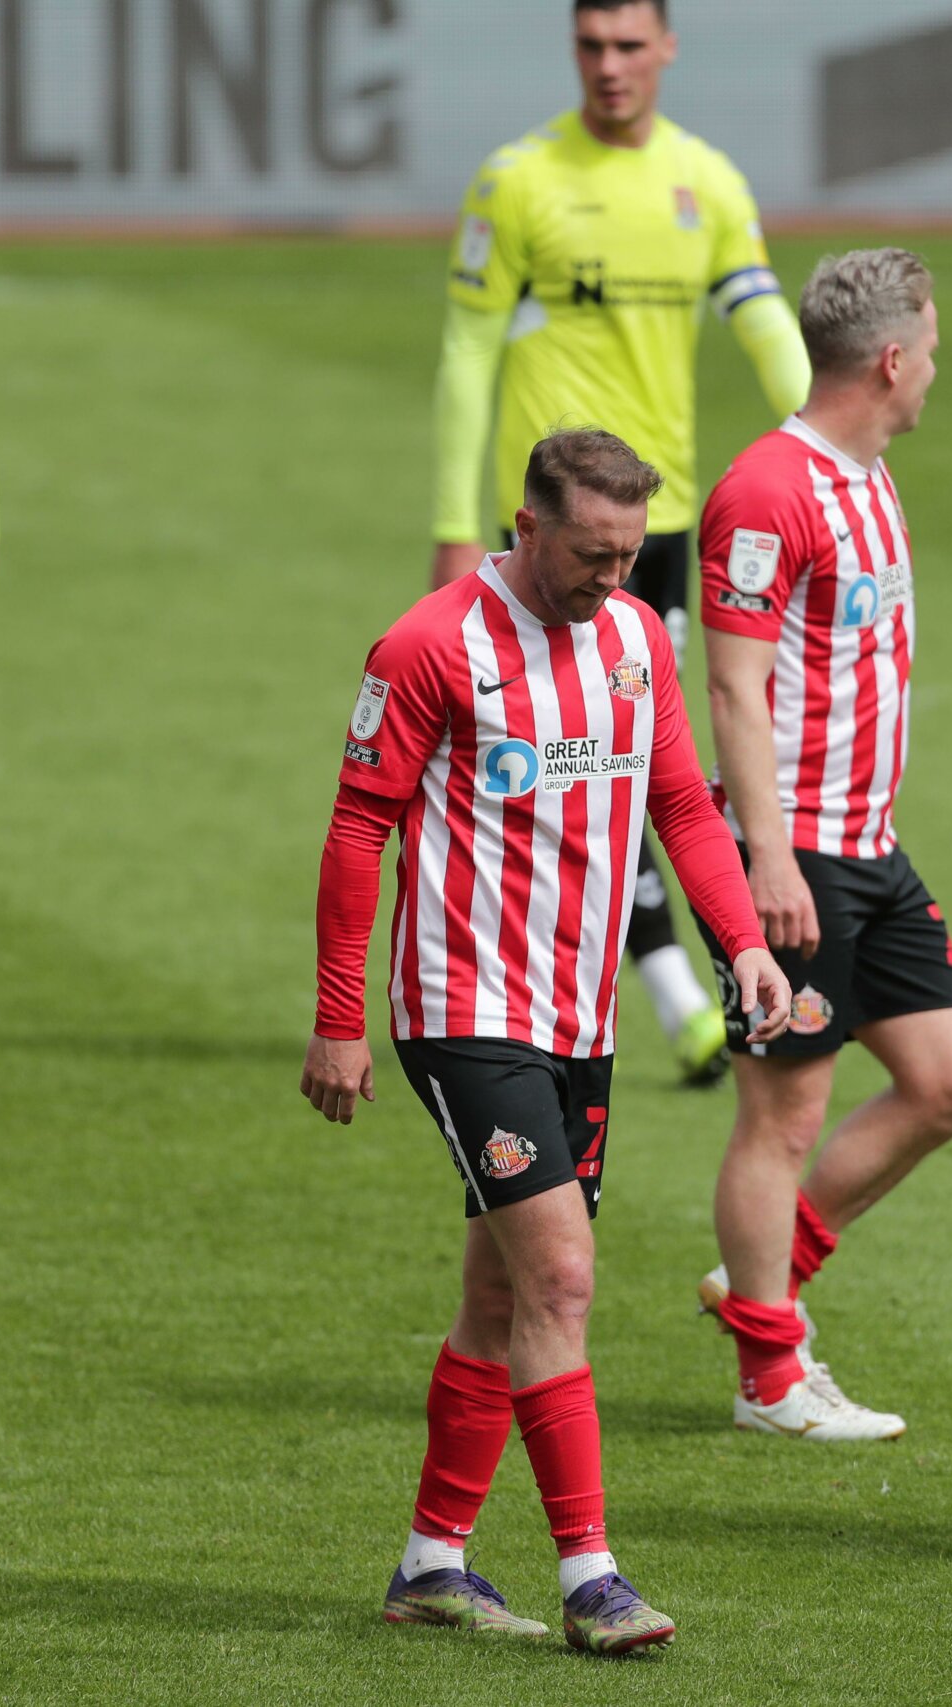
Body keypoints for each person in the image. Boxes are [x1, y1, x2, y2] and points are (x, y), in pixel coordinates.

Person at [304, 430, 794, 1654]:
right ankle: (593, 1577)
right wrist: (336, 1017)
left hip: (580, 1019)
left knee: (498, 1290)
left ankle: (431, 1563)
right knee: (562, 1277)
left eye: (629, 555)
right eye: (590, 554)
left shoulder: (633, 641)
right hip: (463, 1010)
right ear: (526, 526)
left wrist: (740, 943)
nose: (611, 579)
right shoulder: (428, 646)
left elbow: (682, 802)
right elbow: (358, 829)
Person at [427, 0, 812, 1084]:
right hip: (539, 538)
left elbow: (765, 328)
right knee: (559, 759)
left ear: (667, 49)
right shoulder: (518, 182)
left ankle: (673, 988)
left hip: (660, 526)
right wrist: (453, 527)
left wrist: (838, 462)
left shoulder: (708, 185)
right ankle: (670, 993)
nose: (609, 66)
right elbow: (465, 356)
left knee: (633, 756)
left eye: (629, 45)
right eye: (591, 46)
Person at [687, 249, 952, 1442]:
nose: (934, 375)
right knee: (782, 1120)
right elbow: (734, 686)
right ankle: (770, 1375)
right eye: (933, 350)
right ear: (893, 357)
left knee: (948, 1083)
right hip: (794, 852)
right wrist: (764, 860)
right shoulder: (767, 490)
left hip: (870, 845)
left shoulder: (868, 475)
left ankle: (756, 1286)